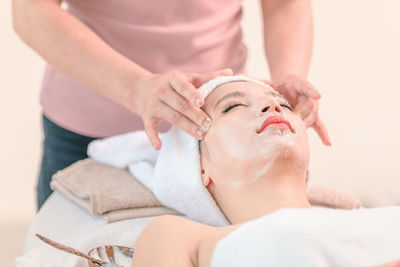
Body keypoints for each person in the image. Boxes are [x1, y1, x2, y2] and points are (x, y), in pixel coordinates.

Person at [11, 0, 330, 211]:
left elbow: (284, 4)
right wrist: (135, 87)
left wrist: (289, 75)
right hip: (88, 125)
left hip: (211, 137)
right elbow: (30, 12)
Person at [131, 80, 400, 267]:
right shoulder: (180, 237)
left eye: (286, 105)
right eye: (232, 106)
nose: (274, 108)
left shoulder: (378, 216)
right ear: (199, 166)